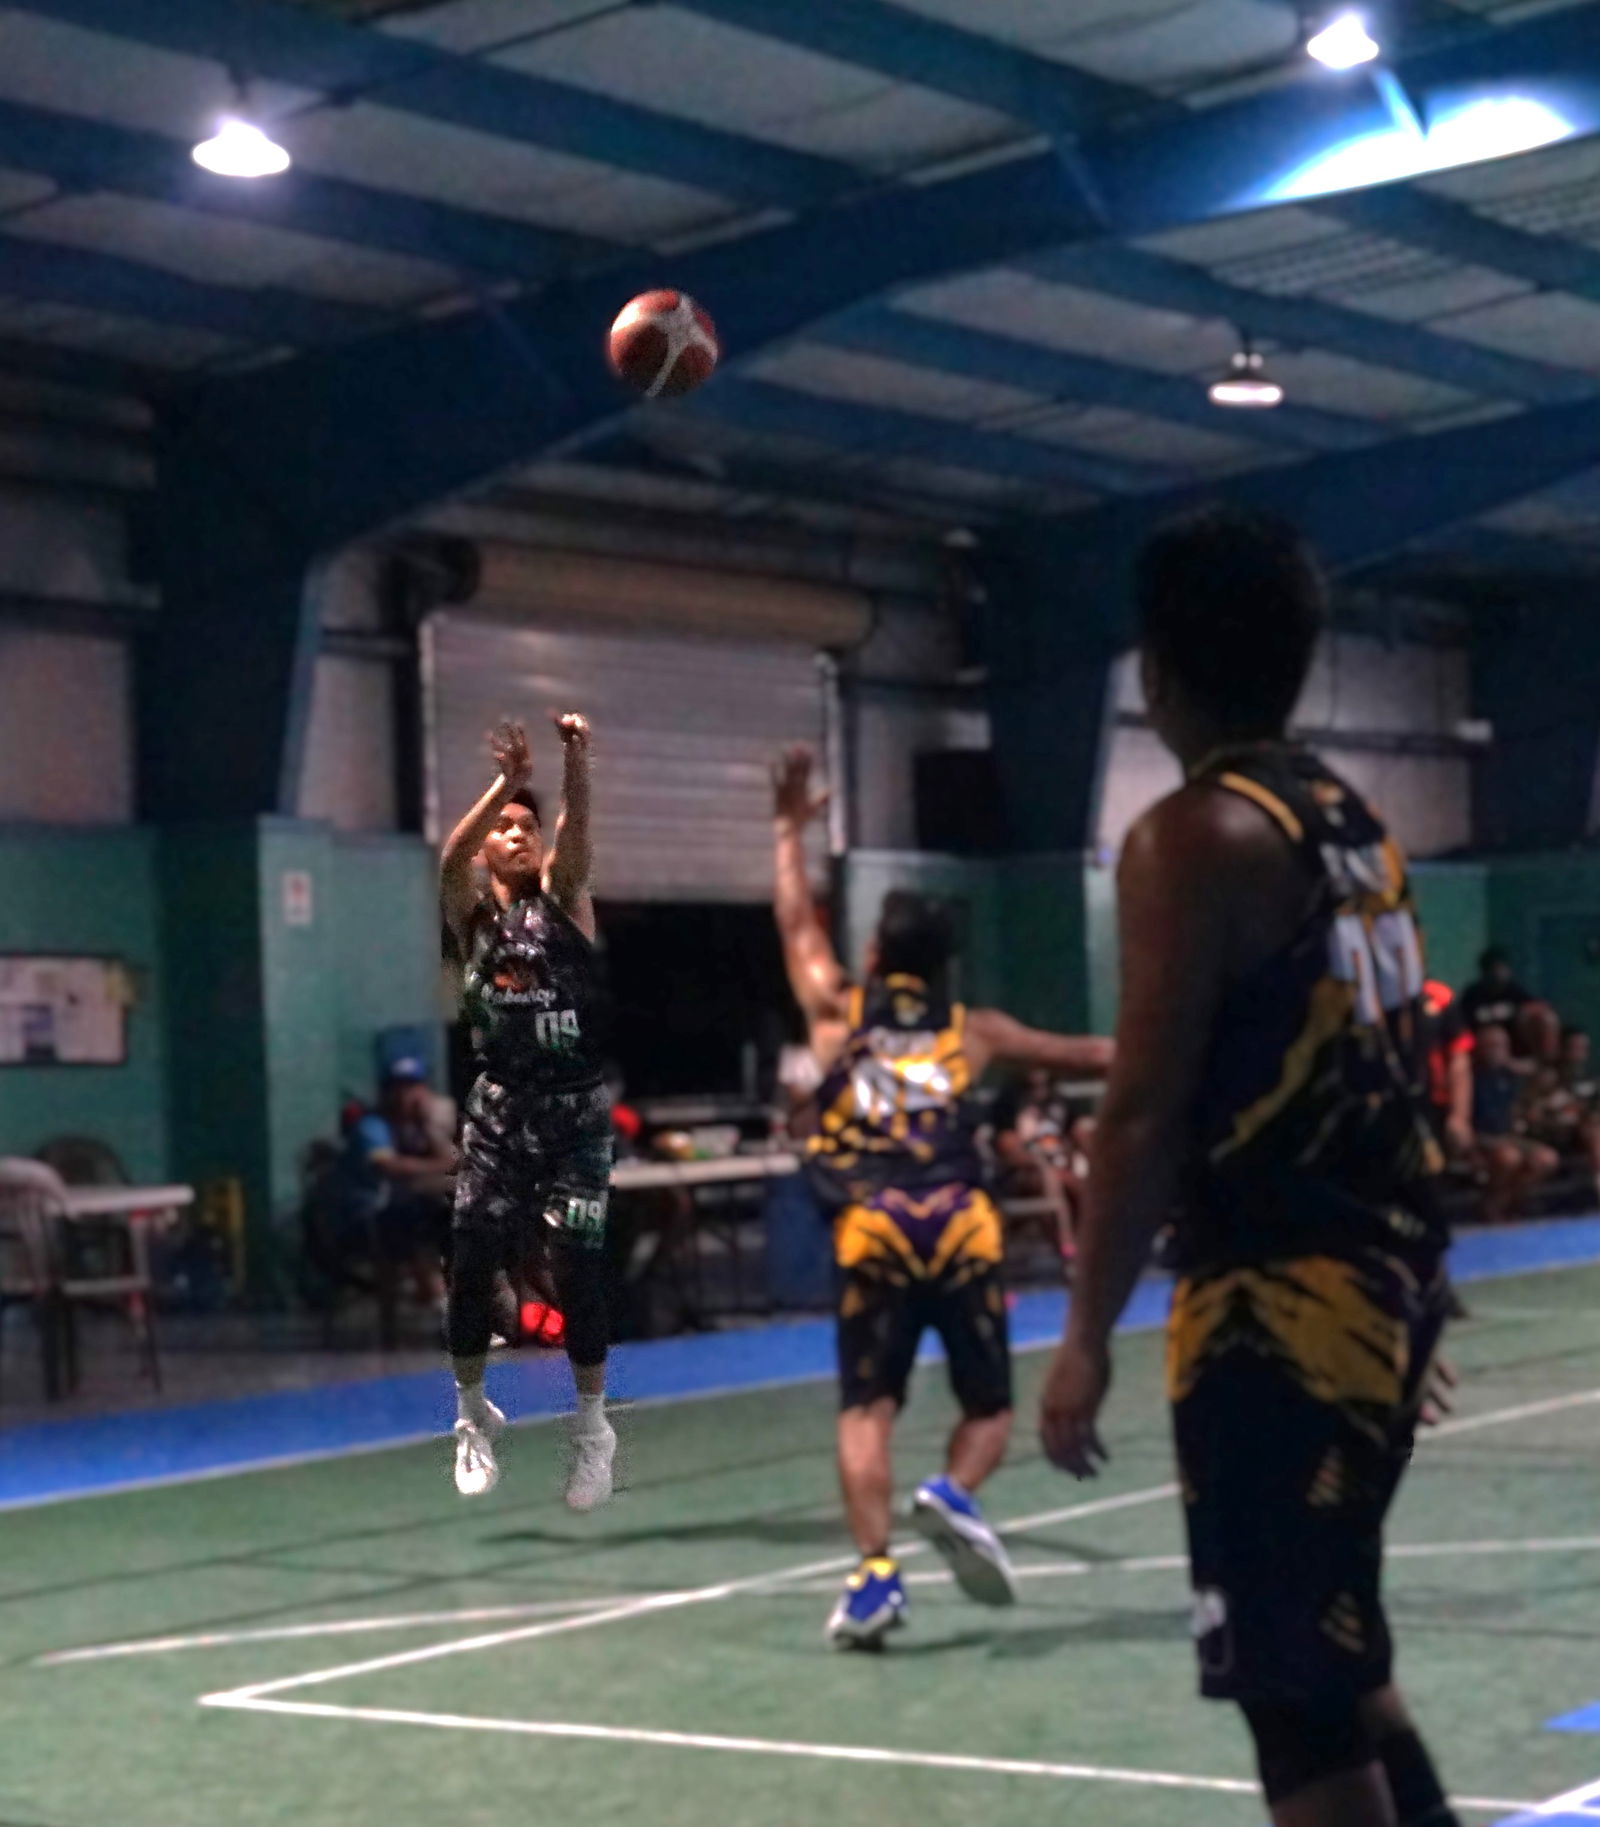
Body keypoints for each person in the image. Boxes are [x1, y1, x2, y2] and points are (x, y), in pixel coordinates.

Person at [1039, 507, 1461, 1827]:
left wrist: (1083, 1337)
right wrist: (1401, 1286)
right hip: (1370, 1286)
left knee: (1297, 1702)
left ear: (1157, 671)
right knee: (1344, 1663)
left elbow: (1141, 1112)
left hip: (1275, 1313)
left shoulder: (1192, 836)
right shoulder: (1351, 824)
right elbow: (1387, 1074)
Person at [771, 745, 1113, 1649]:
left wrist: (786, 832)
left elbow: (796, 925)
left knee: (866, 1409)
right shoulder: (977, 1031)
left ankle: (875, 1576)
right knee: (991, 1408)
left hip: (875, 1230)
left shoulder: (839, 1015)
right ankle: (954, 1492)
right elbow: (1095, 1054)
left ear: (874, 953)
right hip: (961, 1227)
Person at [440, 714, 616, 1507]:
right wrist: (506, 783)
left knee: (575, 1269)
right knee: (472, 1259)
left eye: (527, 827)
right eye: (504, 828)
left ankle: (593, 1428)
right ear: (488, 847)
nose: (517, 834)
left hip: (573, 1116)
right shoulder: (472, 917)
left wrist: (574, 758)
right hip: (498, 1114)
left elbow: (576, 836)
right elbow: (450, 858)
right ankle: (471, 1412)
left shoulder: (567, 901)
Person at [332, 1062, 456, 1306]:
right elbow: (390, 1167)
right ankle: (431, 1289)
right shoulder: (372, 1125)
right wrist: (440, 1166)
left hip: (393, 1212)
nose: (404, 1096)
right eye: (397, 1088)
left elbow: (452, 1161)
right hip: (364, 1217)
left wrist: (427, 1124)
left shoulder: (412, 1127)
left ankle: (440, 1288)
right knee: (415, 1213)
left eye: (411, 1087)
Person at [1471, 1024, 1558, 1221]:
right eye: (1491, 1045)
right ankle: (1491, 1204)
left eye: (1501, 1046)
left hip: (1509, 1137)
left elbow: (1519, 1107)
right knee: (1509, 1158)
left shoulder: (1510, 1075)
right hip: (1482, 1138)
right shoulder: (1471, 1077)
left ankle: (1511, 1200)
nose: (1496, 1051)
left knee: (1547, 1158)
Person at [1458, 946, 1558, 1062]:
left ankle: (1547, 1063)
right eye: (1494, 969)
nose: (1498, 973)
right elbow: (1463, 1023)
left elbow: (1536, 1005)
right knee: (1496, 1037)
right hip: (1486, 1043)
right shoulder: (1473, 994)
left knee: (1547, 1018)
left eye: (1502, 968)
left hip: (1515, 1042)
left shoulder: (1514, 990)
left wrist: (1525, 1013)